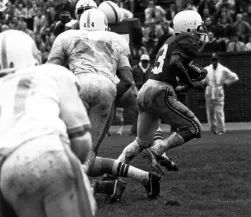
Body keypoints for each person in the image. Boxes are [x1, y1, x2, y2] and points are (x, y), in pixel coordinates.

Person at [47, 9, 162, 200]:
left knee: (75, 149)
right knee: (88, 156)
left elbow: (51, 70)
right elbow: (127, 79)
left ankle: (83, 191)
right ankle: (143, 178)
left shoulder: (68, 36)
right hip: (107, 87)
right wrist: (109, 100)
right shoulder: (115, 39)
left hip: (78, 86)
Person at [0, 30, 96, 217]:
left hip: (5, 168)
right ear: (33, 54)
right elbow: (81, 139)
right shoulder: (53, 73)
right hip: (49, 151)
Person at [117, 10, 208, 176]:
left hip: (146, 89)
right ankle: (157, 150)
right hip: (160, 91)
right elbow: (175, 63)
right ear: (189, 27)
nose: (200, 31)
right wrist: (191, 82)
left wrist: (194, 72)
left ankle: (113, 171)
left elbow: (176, 64)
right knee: (194, 128)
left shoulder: (170, 40)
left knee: (141, 142)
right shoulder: (188, 38)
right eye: (198, 26)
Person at [203, 53, 239, 135]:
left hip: (218, 92)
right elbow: (201, 79)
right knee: (210, 112)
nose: (214, 61)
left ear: (218, 60)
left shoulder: (223, 69)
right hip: (209, 91)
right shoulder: (207, 69)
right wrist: (203, 83)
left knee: (219, 112)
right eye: (213, 60)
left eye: (215, 60)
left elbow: (235, 77)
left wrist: (226, 83)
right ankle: (213, 130)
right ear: (211, 60)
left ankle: (221, 130)